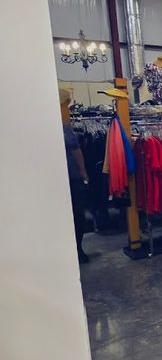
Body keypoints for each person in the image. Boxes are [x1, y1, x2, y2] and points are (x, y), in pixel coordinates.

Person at [60, 88, 91, 263]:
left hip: (70, 177)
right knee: (76, 214)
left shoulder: (65, 127)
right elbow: (77, 151)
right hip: (72, 177)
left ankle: (76, 248)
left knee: (76, 215)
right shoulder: (64, 128)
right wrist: (84, 173)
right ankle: (76, 249)